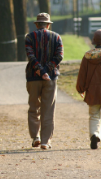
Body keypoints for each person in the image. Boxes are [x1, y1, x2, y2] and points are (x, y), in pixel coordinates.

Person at [25, 13, 63, 150]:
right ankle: (45, 142)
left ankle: (35, 137)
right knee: (48, 109)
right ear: (48, 24)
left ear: (36, 24)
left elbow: (31, 56)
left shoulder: (29, 37)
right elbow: (59, 56)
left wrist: (40, 70)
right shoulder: (57, 37)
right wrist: (46, 70)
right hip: (51, 78)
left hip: (33, 77)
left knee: (34, 107)